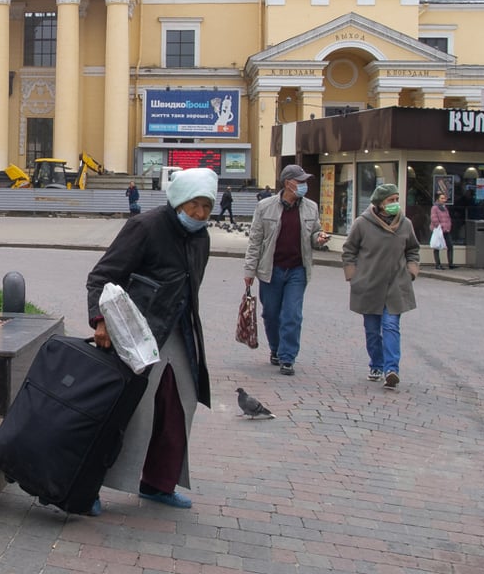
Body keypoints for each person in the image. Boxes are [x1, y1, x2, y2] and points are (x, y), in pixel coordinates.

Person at [86, 167, 217, 513]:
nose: (200, 214)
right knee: (128, 410)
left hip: (177, 332)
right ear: (179, 200)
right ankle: (89, 485)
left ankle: (157, 483)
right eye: (194, 206)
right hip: (134, 332)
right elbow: (101, 277)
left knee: (179, 405)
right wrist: (101, 322)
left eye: (207, 206)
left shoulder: (201, 237)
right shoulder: (144, 227)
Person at [243, 165, 330, 375]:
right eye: (299, 181)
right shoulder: (265, 206)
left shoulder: (311, 207)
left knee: (292, 315)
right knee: (271, 314)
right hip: (271, 269)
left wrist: (319, 238)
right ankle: (276, 348)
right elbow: (255, 240)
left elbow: (314, 233)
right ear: (287, 183)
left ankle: (287, 357)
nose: (303, 185)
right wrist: (249, 271)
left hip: (297, 270)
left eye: (304, 181)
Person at [341, 183, 420, 388]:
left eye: (396, 200)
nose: (394, 204)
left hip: (396, 285)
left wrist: (411, 271)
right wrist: (353, 276)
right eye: (390, 200)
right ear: (379, 203)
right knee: (372, 330)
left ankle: (391, 369)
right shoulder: (362, 224)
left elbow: (413, 249)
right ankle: (376, 364)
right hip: (369, 285)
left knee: (391, 325)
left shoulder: (405, 224)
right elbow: (349, 250)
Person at [430, 192, 456, 270]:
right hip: (439, 230)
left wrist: (449, 226)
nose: (443, 200)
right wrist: (439, 226)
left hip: (446, 230)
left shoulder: (445, 208)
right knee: (437, 247)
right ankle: (438, 264)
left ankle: (450, 264)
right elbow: (434, 218)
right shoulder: (434, 208)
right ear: (438, 199)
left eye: (444, 198)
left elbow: (448, 218)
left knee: (450, 246)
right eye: (442, 198)